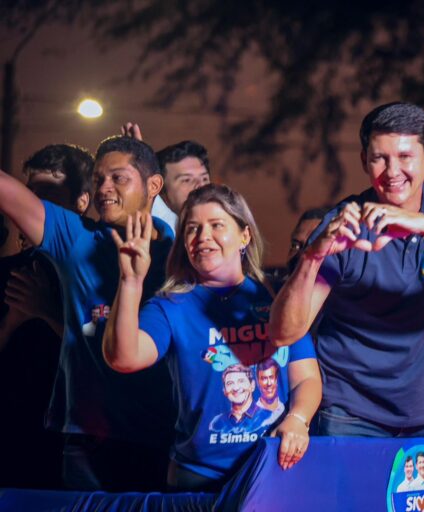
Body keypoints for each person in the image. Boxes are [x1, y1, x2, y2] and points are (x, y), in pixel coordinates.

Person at [269, 102, 424, 437]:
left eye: (405, 156)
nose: (392, 171)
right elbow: (284, 333)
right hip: (348, 415)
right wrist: (312, 256)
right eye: (380, 158)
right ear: (364, 161)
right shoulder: (345, 223)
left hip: (420, 417)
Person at [104, 184, 321, 491]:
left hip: (271, 467)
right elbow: (123, 358)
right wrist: (130, 282)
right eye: (193, 229)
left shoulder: (277, 298)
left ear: (244, 236)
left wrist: (298, 419)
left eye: (217, 225)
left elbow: (306, 378)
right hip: (198, 477)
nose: (203, 236)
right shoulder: (171, 305)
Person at [0, 136, 175, 491]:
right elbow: (8, 192)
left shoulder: (180, 254)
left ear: (154, 185)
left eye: (118, 178)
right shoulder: (77, 239)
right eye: (98, 179)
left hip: (165, 437)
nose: (104, 188)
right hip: (88, 442)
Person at [0, 144, 93, 489]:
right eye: (29, 193)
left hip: (76, 438)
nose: (31, 205)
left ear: (81, 202)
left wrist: (46, 311)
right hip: (12, 432)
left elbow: (104, 358)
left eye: (47, 195)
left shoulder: (100, 270)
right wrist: (12, 322)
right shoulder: (9, 271)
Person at [121, 122, 211, 234]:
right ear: (158, 188)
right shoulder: (162, 234)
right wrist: (142, 172)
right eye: (187, 180)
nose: (201, 186)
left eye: (205, 179)